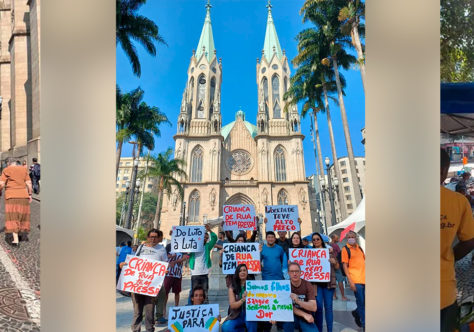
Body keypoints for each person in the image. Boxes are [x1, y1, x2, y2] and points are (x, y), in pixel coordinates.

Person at [440, 148, 474, 332]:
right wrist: (449, 257)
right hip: (444, 292)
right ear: (443, 170)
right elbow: (469, 241)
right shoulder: (459, 202)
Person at [119, 229, 168, 332]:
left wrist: (164, 271)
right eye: (151, 237)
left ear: (158, 238)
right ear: (148, 237)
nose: (153, 239)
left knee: (150, 311)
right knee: (137, 312)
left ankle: (150, 329)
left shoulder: (161, 250)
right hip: (137, 285)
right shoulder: (141, 247)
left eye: (155, 237)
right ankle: (136, 330)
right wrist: (124, 265)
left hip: (151, 287)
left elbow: (165, 265)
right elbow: (134, 262)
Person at [0, 158, 33, 246]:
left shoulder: (6, 170)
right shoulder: (23, 169)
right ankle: (20, 233)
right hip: (23, 195)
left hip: (11, 196)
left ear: (8, 163)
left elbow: (1, 184)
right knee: (22, 216)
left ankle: (16, 240)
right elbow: (29, 183)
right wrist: (30, 194)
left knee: (13, 216)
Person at [312, 232, 338, 332]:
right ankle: (319, 330)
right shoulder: (310, 253)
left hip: (328, 284)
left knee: (328, 308)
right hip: (316, 285)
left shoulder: (329, 251)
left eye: (317, 239)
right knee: (318, 309)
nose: (315, 241)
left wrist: (334, 262)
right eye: (313, 240)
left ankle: (329, 330)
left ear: (321, 240)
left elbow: (337, 267)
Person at [221, 264, 258, 332]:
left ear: (247, 272)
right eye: (240, 271)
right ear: (237, 273)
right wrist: (243, 300)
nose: (242, 272)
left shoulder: (254, 285)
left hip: (250, 313)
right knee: (226, 327)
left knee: (251, 323)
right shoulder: (232, 287)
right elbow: (232, 305)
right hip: (237, 315)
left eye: (244, 270)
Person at [341, 230, 366, 330]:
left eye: (353, 236)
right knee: (361, 303)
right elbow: (345, 266)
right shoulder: (345, 249)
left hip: (364, 279)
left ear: (355, 237)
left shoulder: (359, 248)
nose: (351, 238)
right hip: (355, 280)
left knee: (365, 302)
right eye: (349, 237)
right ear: (347, 239)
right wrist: (350, 281)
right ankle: (365, 324)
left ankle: (356, 312)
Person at [283, 262, 317, 332]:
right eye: (292, 271)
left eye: (297, 271)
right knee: (287, 322)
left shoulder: (307, 284)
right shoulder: (285, 286)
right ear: (288, 273)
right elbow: (286, 307)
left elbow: (314, 307)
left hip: (306, 316)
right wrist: (304, 314)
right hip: (291, 316)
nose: (294, 274)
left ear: (300, 272)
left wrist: (298, 301)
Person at [188, 223, 217, 304]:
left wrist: (209, 230)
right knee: (194, 293)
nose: (205, 239)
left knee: (205, 293)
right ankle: (192, 307)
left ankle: (205, 308)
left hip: (204, 273)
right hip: (195, 273)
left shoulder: (207, 246)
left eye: (206, 238)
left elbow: (214, 238)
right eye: (204, 237)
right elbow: (183, 247)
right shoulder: (193, 245)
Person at [330, 234, 348, 301]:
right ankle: (343, 296)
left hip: (331, 265)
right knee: (340, 280)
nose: (337, 239)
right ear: (333, 238)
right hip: (337, 264)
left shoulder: (329, 245)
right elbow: (339, 254)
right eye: (337, 238)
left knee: (333, 281)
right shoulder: (335, 245)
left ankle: (334, 296)